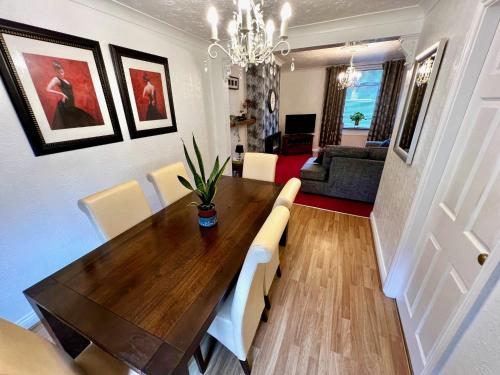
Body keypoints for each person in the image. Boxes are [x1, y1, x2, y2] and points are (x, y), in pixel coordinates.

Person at [46, 60, 97, 130]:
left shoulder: (65, 80)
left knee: (78, 121)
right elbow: (48, 89)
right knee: (71, 123)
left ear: (63, 71)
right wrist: (61, 94)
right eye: (59, 73)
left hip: (71, 104)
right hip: (65, 105)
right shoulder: (56, 79)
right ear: (56, 72)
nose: (61, 74)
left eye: (62, 72)